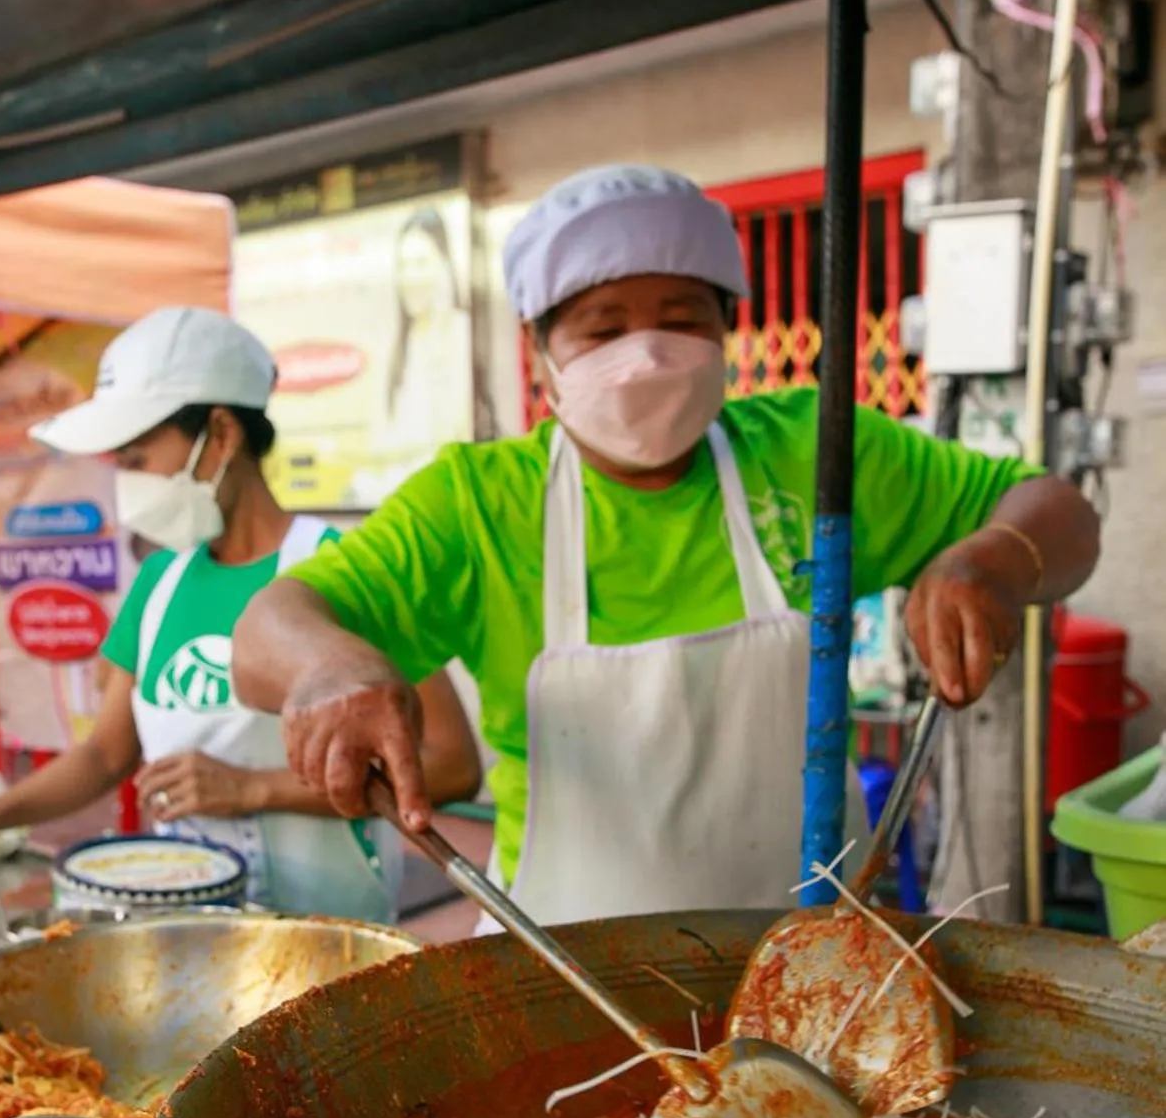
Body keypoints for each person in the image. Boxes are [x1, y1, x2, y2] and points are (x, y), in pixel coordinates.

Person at [229, 164, 1101, 928]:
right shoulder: (479, 503)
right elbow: (273, 624)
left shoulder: (813, 451)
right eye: (602, 330)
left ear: (727, 330)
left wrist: (987, 559)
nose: (643, 356)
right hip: (568, 969)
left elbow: (1058, 511)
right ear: (540, 355)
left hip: (807, 964)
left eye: (679, 319)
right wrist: (329, 669)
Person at [0, 306, 480, 921]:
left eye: (137, 461)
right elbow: (103, 757)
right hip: (194, 938)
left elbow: (452, 766)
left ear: (222, 436)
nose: (128, 485)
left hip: (334, 937)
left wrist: (252, 788)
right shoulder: (160, 583)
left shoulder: (343, 567)